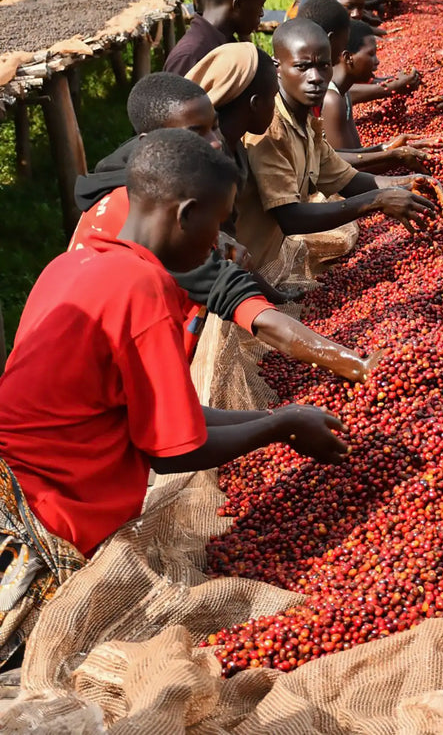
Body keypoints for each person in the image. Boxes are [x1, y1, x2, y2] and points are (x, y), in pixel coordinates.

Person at [0, 130, 350, 664]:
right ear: (185, 214)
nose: (218, 243)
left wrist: (278, 416)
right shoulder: (142, 288)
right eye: (217, 223)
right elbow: (175, 451)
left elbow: (166, 419)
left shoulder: (70, 264)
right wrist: (280, 427)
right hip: (45, 511)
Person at [70, 70, 378, 380]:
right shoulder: (151, 217)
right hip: (98, 384)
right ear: (151, 143)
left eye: (214, 127)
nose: (215, 143)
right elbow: (243, 306)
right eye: (196, 132)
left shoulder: (151, 193)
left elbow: (227, 286)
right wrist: (358, 365)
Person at [239, 19, 440, 273]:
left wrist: (411, 183)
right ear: (277, 67)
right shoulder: (270, 128)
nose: (315, 78)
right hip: (248, 274)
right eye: (303, 67)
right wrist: (377, 200)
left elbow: (349, 181)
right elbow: (290, 218)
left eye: (323, 66)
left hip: (271, 263)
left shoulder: (306, 121)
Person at [322, 20, 433, 175]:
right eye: (371, 54)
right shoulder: (331, 100)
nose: (377, 61)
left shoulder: (343, 92)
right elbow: (346, 172)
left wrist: (386, 148)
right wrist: (396, 158)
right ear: (348, 57)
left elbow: (354, 154)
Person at [297, 0, 420, 106]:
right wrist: (390, 87)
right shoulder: (315, 84)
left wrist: (390, 82)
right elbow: (331, 93)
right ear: (331, 40)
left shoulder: (326, 76)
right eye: (345, 41)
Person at [164, 0, 268, 76]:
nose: (261, 13)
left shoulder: (226, 44)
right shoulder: (190, 57)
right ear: (238, 4)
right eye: (260, 5)